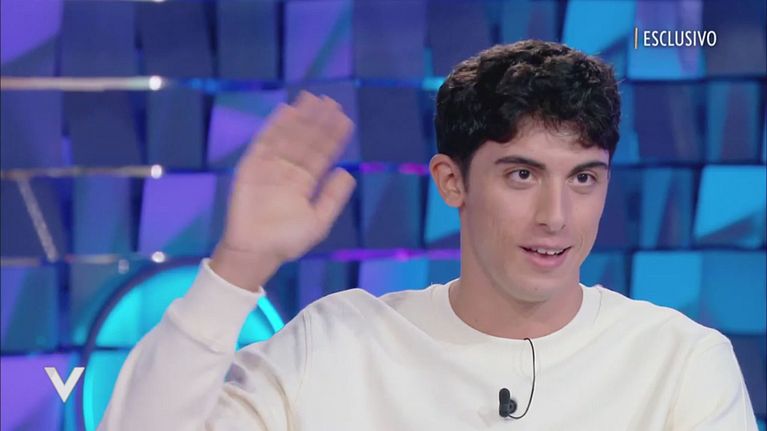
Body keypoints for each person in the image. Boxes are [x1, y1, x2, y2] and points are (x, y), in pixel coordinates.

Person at [98, 40, 758, 430]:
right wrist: (238, 265)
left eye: (583, 178)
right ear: (451, 181)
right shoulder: (335, 345)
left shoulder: (678, 362)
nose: (556, 216)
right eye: (522, 174)